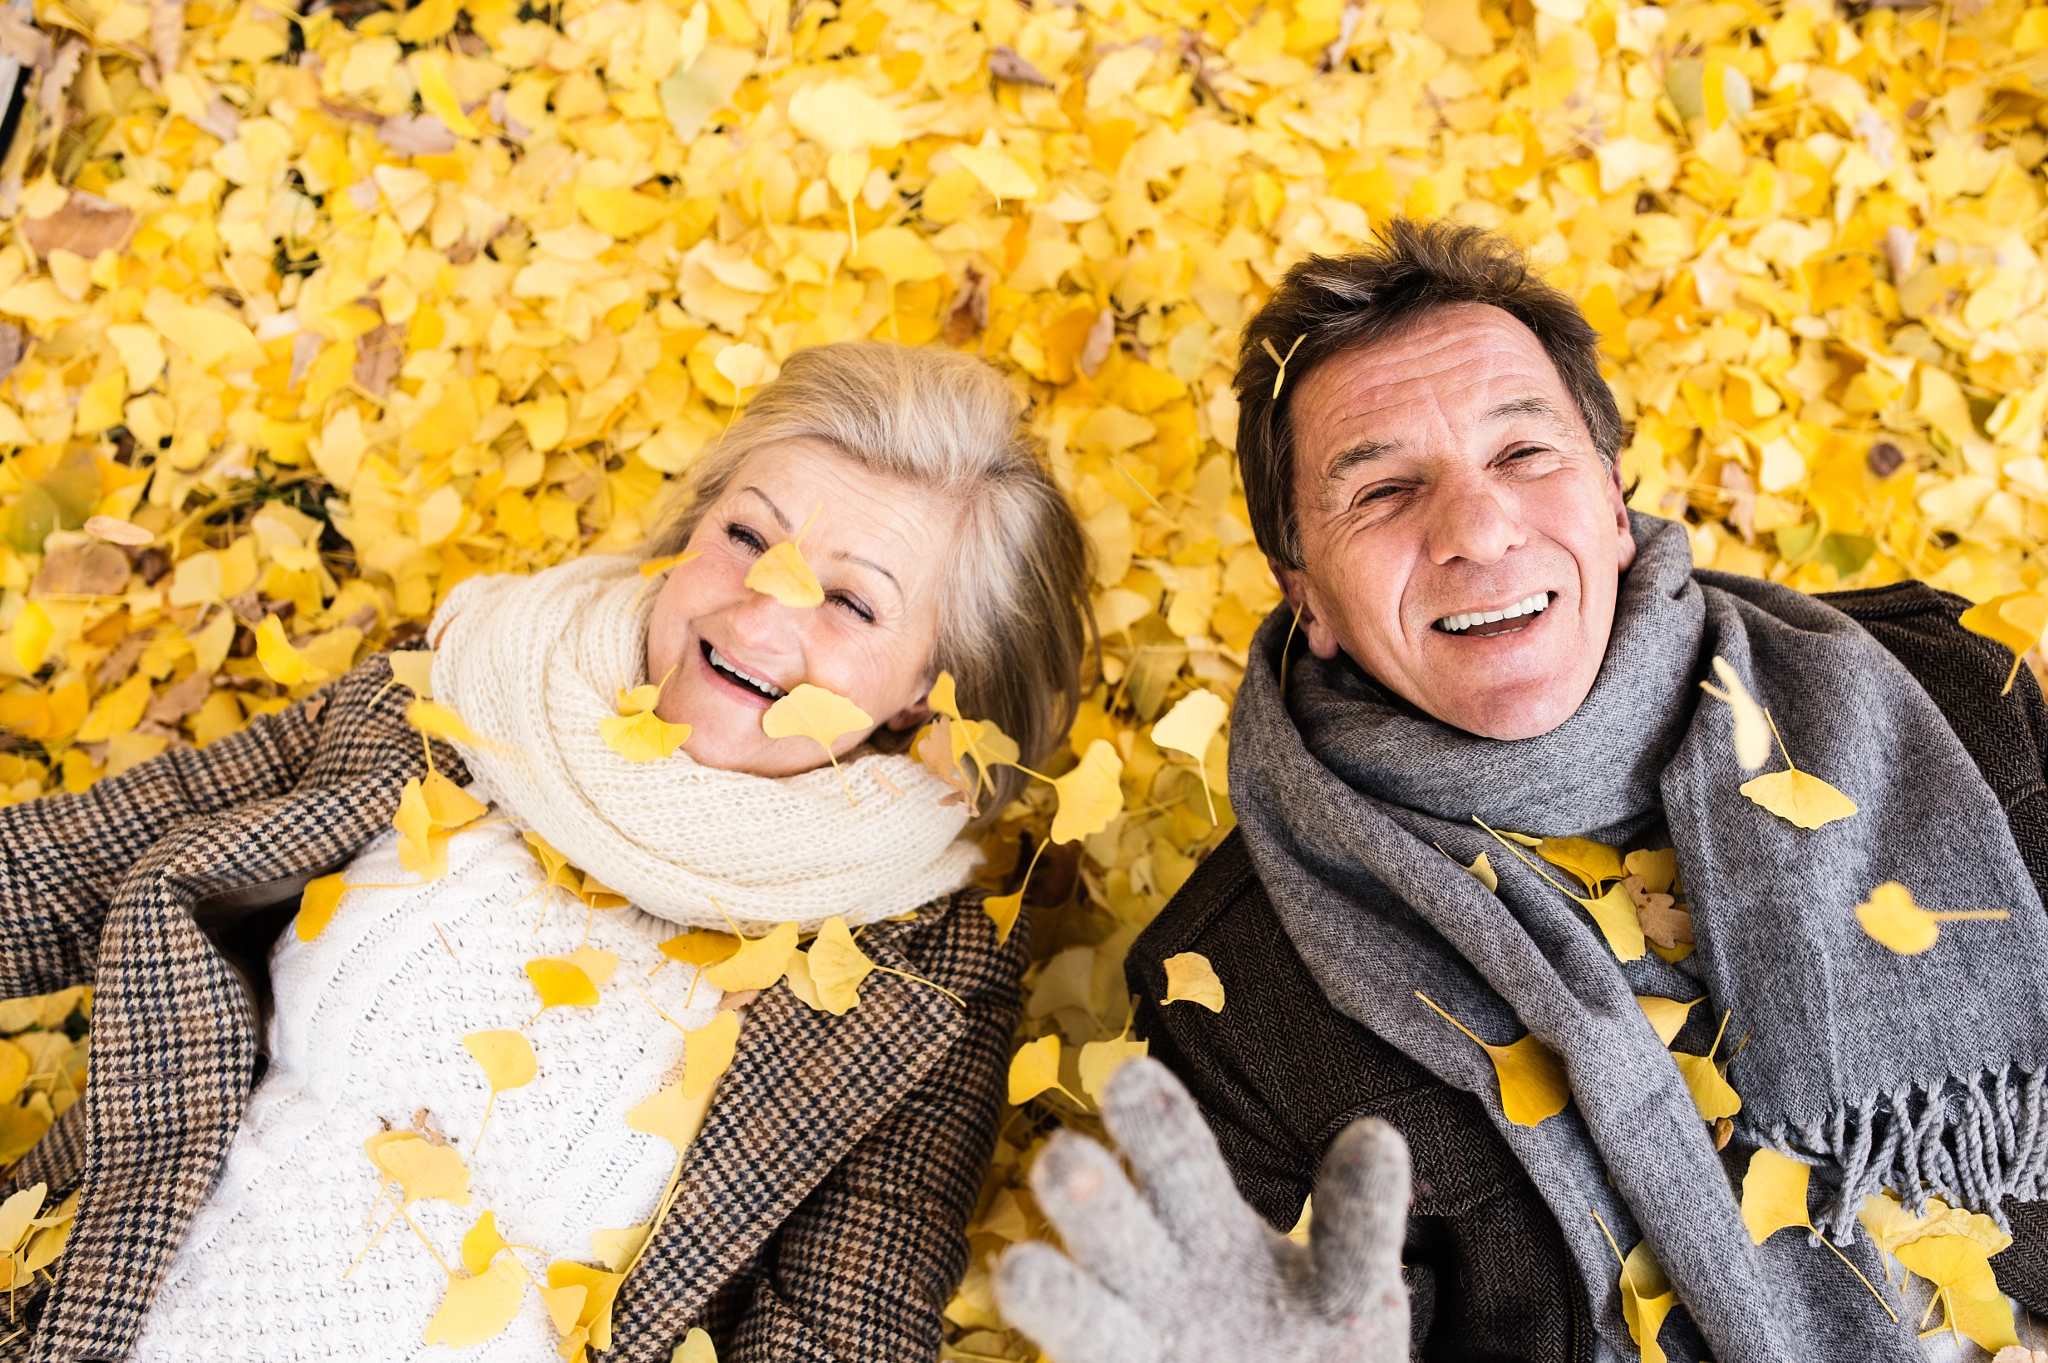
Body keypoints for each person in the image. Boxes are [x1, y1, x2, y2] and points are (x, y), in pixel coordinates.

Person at [994, 220, 2048, 1363]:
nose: (1476, 529)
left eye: (1521, 454)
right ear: (1309, 600)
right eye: (1384, 491)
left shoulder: (1951, 693)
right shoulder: (1235, 1000)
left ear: (1608, 494)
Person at [0, 340, 1092, 1363]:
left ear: (928, 686)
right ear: (694, 526)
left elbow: (843, 1321)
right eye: (748, 536)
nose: (760, 609)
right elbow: (65, 866)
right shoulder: (468, 687)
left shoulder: (922, 972)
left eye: (850, 602)